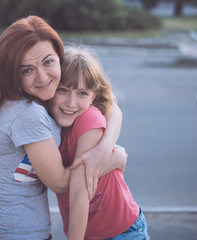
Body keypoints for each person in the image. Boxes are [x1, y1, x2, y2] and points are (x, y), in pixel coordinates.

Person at [0, 15, 125, 240]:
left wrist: (105, 147)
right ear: (12, 74)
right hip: (16, 233)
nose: (43, 77)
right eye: (27, 70)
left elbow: (110, 104)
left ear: (59, 56)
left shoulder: (44, 98)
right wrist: (114, 159)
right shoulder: (28, 112)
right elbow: (60, 182)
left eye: (48, 62)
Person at [50, 45, 149, 240]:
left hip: (122, 232)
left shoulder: (90, 119)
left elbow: (80, 188)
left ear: (93, 97)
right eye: (63, 90)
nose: (71, 102)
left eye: (82, 93)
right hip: (89, 232)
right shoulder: (44, 122)